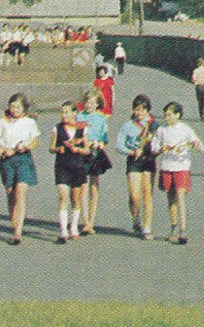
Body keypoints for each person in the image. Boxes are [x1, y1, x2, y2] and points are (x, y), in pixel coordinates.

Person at [151, 102, 204, 244]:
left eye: (169, 115)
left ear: (177, 115)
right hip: (167, 167)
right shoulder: (162, 129)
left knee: (180, 197)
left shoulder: (185, 129)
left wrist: (194, 145)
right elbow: (154, 146)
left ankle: (183, 229)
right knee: (171, 198)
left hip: (182, 167)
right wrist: (161, 148)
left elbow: (200, 146)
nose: (166, 117)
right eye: (165, 115)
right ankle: (173, 226)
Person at [0, 93, 40, 244]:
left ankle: (18, 232)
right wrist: (1, 150)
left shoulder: (29, 122)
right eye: (12, 106)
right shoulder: (2, 122)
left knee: (20, 191)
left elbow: (34, 142)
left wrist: (25, 146)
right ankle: (14, 225)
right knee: (10, 193)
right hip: (7, 159)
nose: (14, 109)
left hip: (23, 158)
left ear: (24, 108)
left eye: (18, 107)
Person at [116, 94, 160, 240]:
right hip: (134, 160)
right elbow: (119, 145)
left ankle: (147, 227)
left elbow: (160, 142)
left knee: (147, 194)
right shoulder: (128, 125)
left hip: (148, 160)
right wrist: (131, 151)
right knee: (135, 196)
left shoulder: (154, 125)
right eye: (137, 109)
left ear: (147, 110)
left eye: (142, 110)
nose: (139, 113)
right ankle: (136, 219)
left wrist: (154, 150)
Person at [49, 101, 90, 243]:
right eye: (62, 112)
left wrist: (78, 149)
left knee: (75, 199)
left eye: (66, 112)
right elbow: (51, 147)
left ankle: (73, 226)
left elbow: (87, 149)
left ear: (74, 113)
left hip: (78, 166)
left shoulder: (82, 129)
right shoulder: (57, 128)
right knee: (63, 198)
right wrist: (57, 149)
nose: (63, 115)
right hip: (62, 166)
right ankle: (63, 230)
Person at [77, 90, 112, 234]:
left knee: (94, 187)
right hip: (82, 152)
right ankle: (85, 221)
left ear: (97, 104)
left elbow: (105, 138)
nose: (88, 105)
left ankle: (91, 221)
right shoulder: (79, 116)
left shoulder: (101, 118)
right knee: (83, 187)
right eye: (86, 102)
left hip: (96, 153)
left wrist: (99, 143)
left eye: (92, 103)